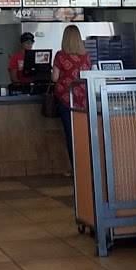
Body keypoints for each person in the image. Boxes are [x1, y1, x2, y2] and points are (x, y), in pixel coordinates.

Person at [52, 24, 91, 173]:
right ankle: (86, 168)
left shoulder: (60, 55)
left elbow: (55, 78)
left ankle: (76, 170)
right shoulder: (86, 56)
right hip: (83, 100)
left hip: (66, 99)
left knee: (71, 134)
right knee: (83, 133)